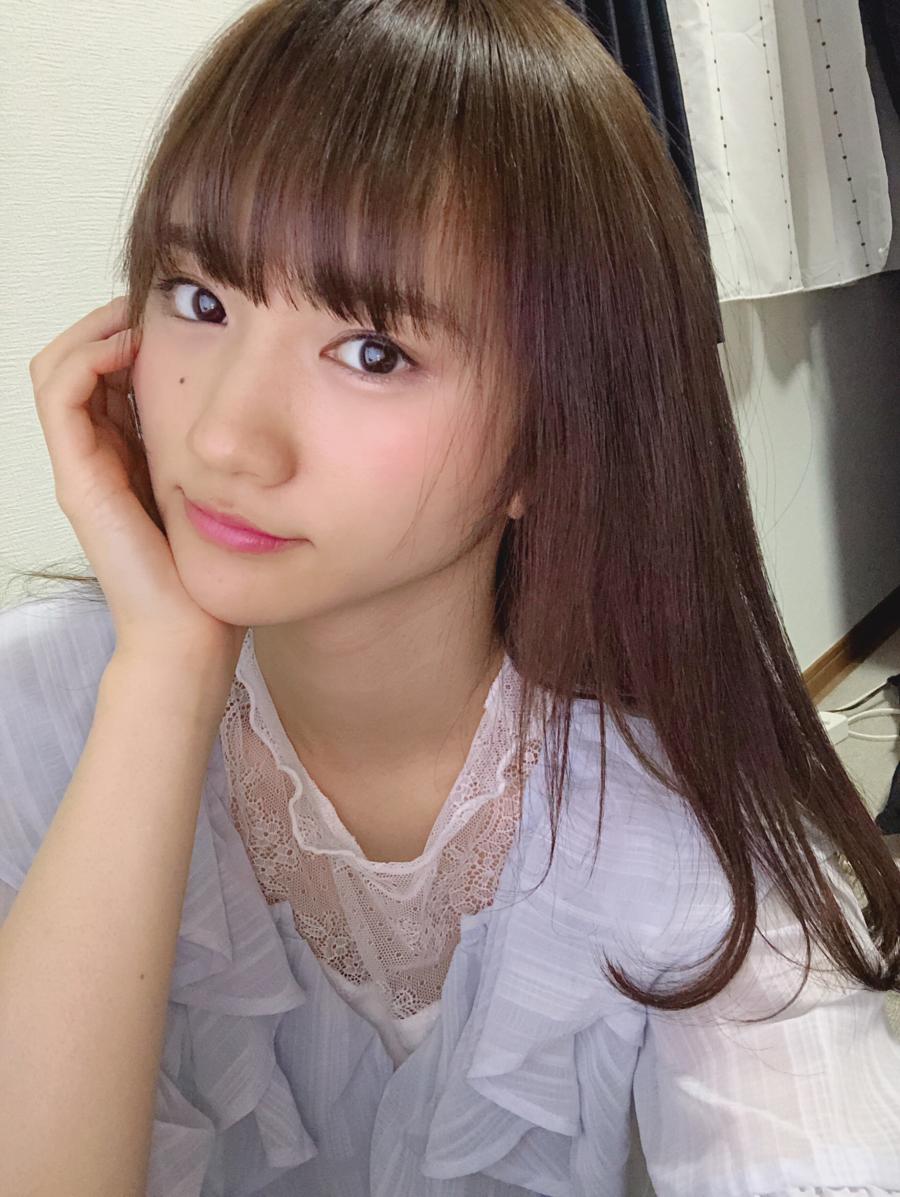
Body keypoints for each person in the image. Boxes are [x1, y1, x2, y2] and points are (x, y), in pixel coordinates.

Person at [1, 1, 898, 1194]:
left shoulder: (690, 839)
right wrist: (165, 679)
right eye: (201, 298)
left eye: (374, 352)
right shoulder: (42, 706)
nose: (222, 439)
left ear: (551, 435)